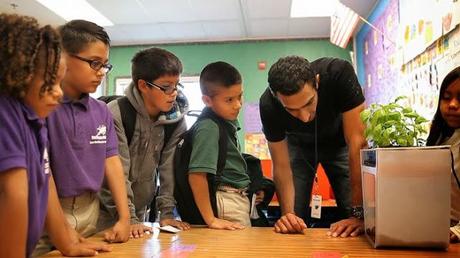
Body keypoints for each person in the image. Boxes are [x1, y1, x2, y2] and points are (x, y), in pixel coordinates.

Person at [0, 14, 110, 257]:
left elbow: (44, 179)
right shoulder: (6, 113)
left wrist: (68, 243)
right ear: (19, 76)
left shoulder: (36, 121)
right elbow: (14, 194)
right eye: (50, 83)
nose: (58, 93)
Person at [33, 19, 131, 255]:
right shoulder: (44, 108)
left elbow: (112, 162)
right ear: (63, 56)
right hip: (48, 211)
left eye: (104, 65)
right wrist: (63, 232)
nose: (100, 73)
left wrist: (125, 216)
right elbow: (43, 176)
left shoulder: (101, 111)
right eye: (94, 63)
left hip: (90, 211)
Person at [259, 56, 367, 237]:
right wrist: (288, 216)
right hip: (298, 147)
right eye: (291, 110)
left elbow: (357, 142)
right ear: (276, 97)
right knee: (293, 220)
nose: (304, 117)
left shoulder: (338, 73)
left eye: (308, 103)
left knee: (354, 216)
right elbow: (282, 166)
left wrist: (359, 214)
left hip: (340, 144)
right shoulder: (268, 105)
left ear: (317, 82)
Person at [98, 47, 191, 237]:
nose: (173, 93)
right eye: (166, 87)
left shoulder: (176, 120)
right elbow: (118, 169)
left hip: (139, 212)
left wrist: (166, 213)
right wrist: (128, 218)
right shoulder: (116, 113)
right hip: (103, 210)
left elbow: (168, 168)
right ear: (143, 85)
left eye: (176, 85)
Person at [188, 61, 251, 229]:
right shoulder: (209, 127)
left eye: (240, 96)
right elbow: (196, 175)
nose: (238, 104)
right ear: (207, 100)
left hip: (236, 197)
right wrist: (211, 220)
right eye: (229, 100)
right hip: (226, 200)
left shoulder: (224, 122)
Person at [426, 66, 460, 243]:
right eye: (447, 98)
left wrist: (458, 230)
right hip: (439, 226)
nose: (452, 104)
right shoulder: (440, 136)